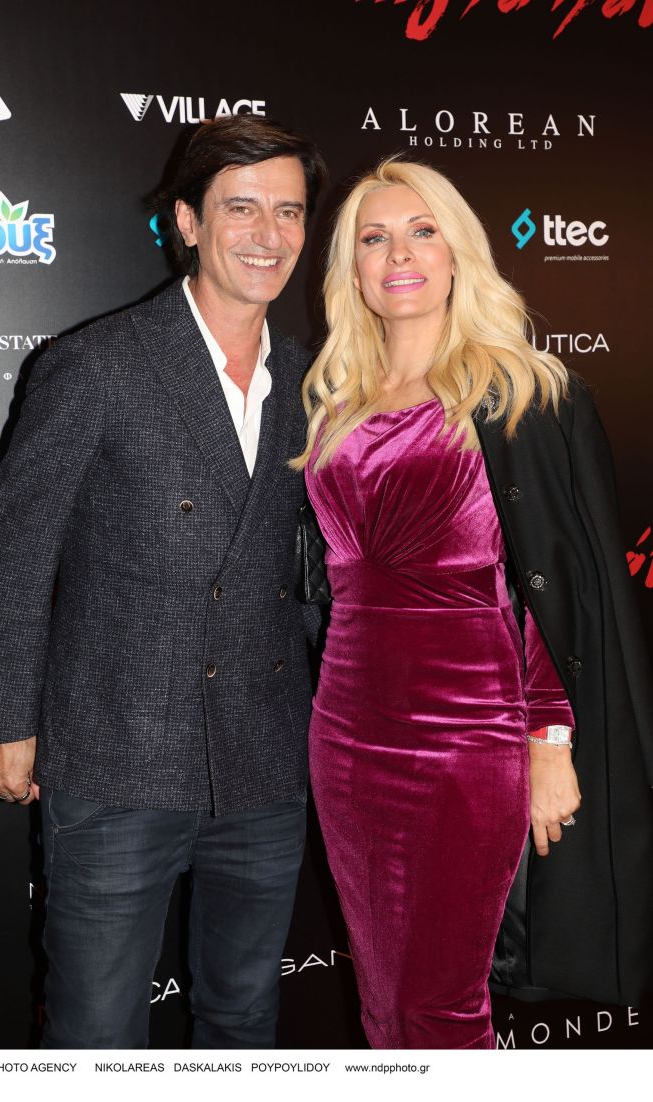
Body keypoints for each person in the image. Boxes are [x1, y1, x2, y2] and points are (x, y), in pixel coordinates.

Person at [0, 115, 326, 1049]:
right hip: (116, 758)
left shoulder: (312, 381)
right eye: (241, 208)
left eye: (289, 211)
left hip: (265, 759)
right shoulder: (97, 363)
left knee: (244, 1017)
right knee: (96, 1034)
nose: (269, 234)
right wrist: (3, 720)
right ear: (188, 222)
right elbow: (15, 548)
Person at [293, 158, 653, 1049]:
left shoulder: (524, 394)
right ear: (351, 269)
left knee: (444, 1005)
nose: (399, 255)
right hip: (345, 734)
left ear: (458, 253)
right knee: (382, 1004)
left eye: (423, 232)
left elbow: (560, 587)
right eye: (374, 238)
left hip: (469, 736)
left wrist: (550, 739)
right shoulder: (332, 403)